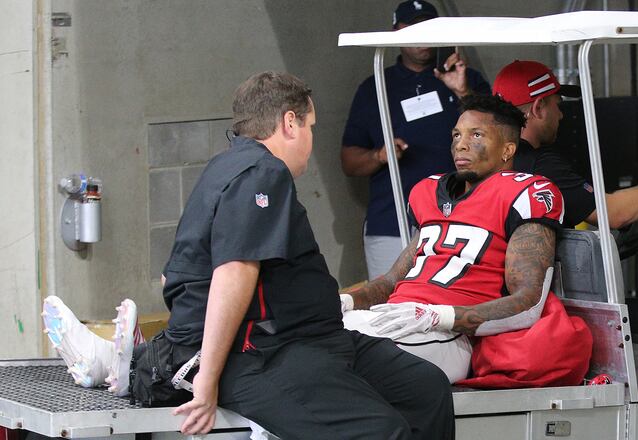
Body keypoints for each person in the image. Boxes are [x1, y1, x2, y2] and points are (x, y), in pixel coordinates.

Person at [43, 71, 455, 440]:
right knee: (382, 432)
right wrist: (207, 382)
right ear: (289, 123)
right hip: (265, 353)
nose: (312, 141)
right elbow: (235, 271)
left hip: (320, 338)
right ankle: (129, 363)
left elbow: (178, 275)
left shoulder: (227, 167)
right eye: (310, 126)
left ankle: (127, 360)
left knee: (427, 389)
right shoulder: (262, 172)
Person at [341, 94, 590, 386]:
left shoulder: (524, 194)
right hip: (397, 318)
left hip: (447, 335)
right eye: (457, 134)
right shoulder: (430, 193)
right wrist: (346, 301)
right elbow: (390, 282)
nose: (461, 143)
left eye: (477, 135)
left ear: (508, 149)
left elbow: (528, 302)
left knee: (351, 366)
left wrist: (439, 316)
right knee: (311, 342)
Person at [341, 0, 491, 279]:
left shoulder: (466, 78)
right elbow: (349, 161)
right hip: (391, 220)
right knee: (388, 303)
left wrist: (461, 91)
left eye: (427, 26)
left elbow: (498, 140)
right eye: (411, 27)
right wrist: (379, 156)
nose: (420, 34)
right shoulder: (375, 85)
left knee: (450, 304)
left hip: (459, 216)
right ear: (396, 32)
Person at [492, 60, 638, 229]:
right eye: (557, 105)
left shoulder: (487, 159)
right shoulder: (540, 168)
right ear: (538, 108)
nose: (560, 115)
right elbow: (614, 213)